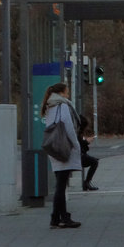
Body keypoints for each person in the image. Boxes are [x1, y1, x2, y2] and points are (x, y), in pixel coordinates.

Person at [41, 81, 82, 227]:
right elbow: (68, 127)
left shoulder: (49, 106)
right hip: (64, 146)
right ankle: (63, 217)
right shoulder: (62, 106)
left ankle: (56, 217)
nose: (68, 94)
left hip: (54, 146)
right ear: (61, 92)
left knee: (60, 182)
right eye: (67, 91)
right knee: (61, 185)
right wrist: (76, 145)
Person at [78, 114, 100, 191]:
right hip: (78, 156)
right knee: (94, 162)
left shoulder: (77, 131)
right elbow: (79, 144)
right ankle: (87, 182)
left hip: (78, 155)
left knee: (94, 161)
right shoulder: (77, 132)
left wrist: (86, 141)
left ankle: (87, 182)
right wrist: (87, 141)